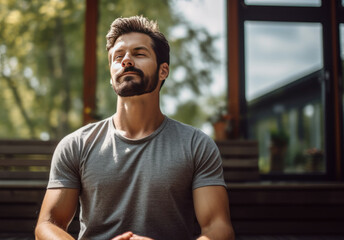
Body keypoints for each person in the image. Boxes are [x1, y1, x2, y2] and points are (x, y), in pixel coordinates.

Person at [35, 15, 234, 240]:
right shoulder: (75, 145)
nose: (126, 61)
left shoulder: (197, 145)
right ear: (111, 77)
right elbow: (47, 225)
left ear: (163, 71)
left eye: (139, 54)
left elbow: (219, 229)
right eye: (118, 57)